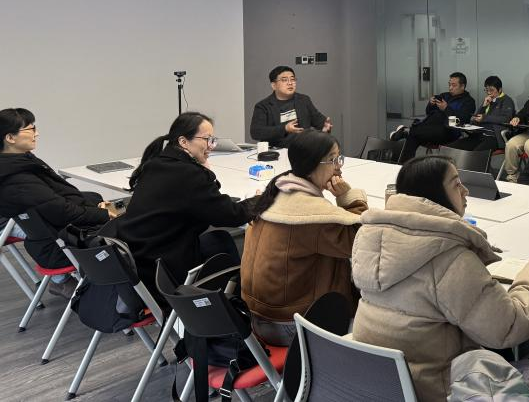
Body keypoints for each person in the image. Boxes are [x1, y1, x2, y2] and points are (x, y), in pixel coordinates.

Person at [351, 156, 529, 402]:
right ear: (434, 194)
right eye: (456, 184)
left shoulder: (369, 238)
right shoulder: (449, 257)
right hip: (434, 389)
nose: (466, 191)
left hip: (374, 382)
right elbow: (508, 327)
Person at [241, 131, 367, 346]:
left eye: (339, 158)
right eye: (332, 160)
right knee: (375, 323)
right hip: (292, 325)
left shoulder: (276, 192)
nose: (339, 167)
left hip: (257, 318)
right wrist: (348, 198)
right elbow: (363, 241)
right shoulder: (310, 214)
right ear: (311, 164)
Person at [115, 112, 253, 297]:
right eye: (207, 139)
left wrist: (203, 171)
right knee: (222, 241)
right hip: (161, 271)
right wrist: (262, 199)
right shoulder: (188, 174)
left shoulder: (156, 163)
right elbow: (232, 215)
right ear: (183, 142)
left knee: (219, 239)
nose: (211, 146)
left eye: (213, 140)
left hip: (138, 261)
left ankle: (229, 297)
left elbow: (203, 201)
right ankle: (234, 300)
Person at [0, 108, 119, 297]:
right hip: (56, 243)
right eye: (31, 129)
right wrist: (104, 215)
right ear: (10, 138)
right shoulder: (16, 177)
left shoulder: (19, 161)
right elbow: (62, 211)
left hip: (48, 231)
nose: (37, 133)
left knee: (94, 197)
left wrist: (93, 205)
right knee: (126, 228)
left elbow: (56, 197)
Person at [390, 73, 476, 161]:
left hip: (448, 131)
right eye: (449, 84)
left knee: (414, 134)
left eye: (454, 85)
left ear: (462, 86)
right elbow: (428, 112)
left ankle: (407, 131)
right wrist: (431, 104)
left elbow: (461, 121)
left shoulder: (469, 102)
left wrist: (446, 108)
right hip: (430, 128)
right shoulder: (444, 95)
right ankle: (402, 165)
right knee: (413, 137)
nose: (450, 88)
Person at [250, 66, 330, 149]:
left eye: (292, 79)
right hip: (277, 150)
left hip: (303, 149)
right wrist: (285, 128)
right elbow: (256, 132)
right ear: (274, 85)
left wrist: (325, 126)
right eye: (284, 80)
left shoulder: (303, 100)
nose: (290, 83)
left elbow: (318, 121)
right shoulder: (263, 106)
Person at [450, 75, 516, 152]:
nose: (489, 93)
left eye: (491, 90)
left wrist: (485, 118)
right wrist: (483, 106)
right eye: (486, 90)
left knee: (474, 154)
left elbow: (506, 118)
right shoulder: (488, 100)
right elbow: (476, 118)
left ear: (500, 89)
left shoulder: (506, 101)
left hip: (494, 136)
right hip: (479, 134)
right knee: (452, 148)